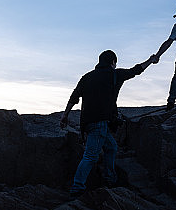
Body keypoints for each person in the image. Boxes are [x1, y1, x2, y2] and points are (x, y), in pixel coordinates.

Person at [60, 49, 156, 198]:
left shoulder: (87, 77)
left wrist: (65, 115)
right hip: (100, 123)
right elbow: (136, 70)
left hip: (87, 122)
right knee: (91, 156)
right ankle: (77, 187)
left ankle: (110, 179)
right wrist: (150, 60)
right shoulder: (115, 74)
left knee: (111, 147)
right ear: (113, 62)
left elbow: (74, 97)